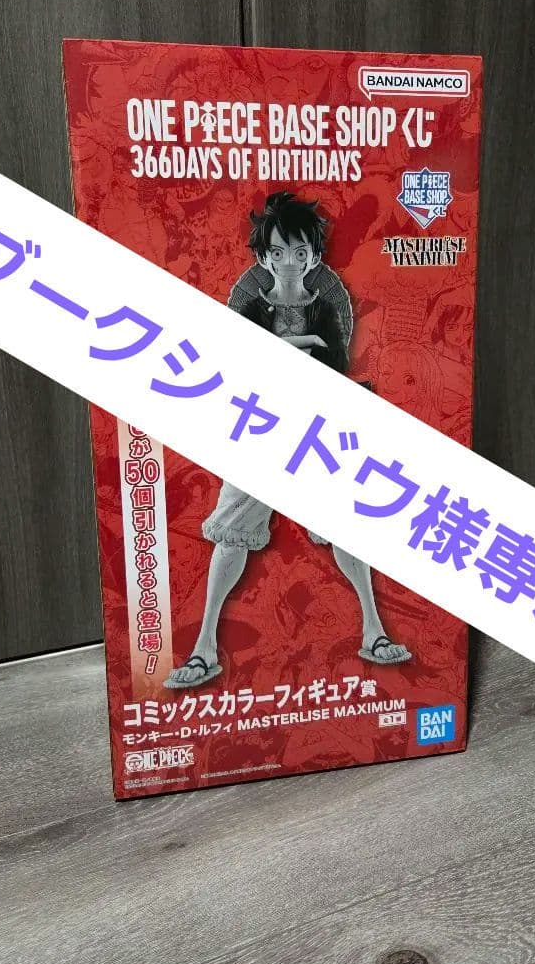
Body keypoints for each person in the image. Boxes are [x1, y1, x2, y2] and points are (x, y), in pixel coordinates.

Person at [165, 191, 411, 689]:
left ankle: (374, 630)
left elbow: (334, 364)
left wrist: (291, 352)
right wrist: (298, 345)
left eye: (299, 252)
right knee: (232, 533)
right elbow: (241, 361)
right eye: (278, 251)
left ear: (313, 257)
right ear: (264, 257)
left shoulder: (327, 307)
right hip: (257, 427)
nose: (289, 261)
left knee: (345, 527)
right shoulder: (251, 307)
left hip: (314, 429)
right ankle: (204, 648)